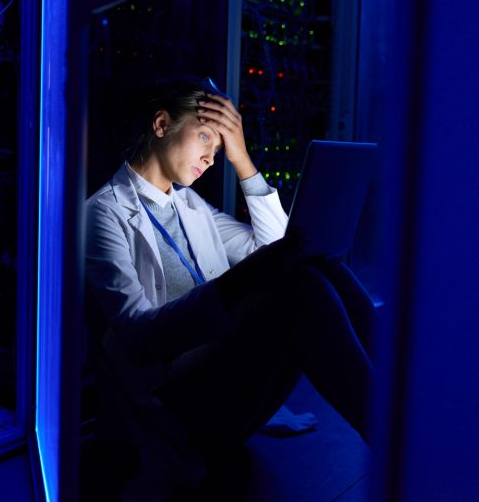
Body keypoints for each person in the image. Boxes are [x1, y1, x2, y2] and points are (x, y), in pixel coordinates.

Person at [83, 78, 377, 500]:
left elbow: (280, 250)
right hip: (174, 406)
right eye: (206, 137)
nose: (211, 156)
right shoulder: (102, 215)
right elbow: (138, 338)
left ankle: (402, 415)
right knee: (303, 288)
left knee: (322, 270)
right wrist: (237, 284)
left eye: (220, 149)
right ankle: (399, 440)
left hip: (226, 391)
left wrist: (243, 161)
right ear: (162, 124)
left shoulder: (189, 206)